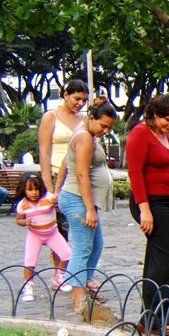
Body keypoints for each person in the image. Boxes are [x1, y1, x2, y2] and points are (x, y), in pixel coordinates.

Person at [126, 93, 169, 336]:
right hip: (152, 203)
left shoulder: (164, 135)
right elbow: (135, 173)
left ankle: (156, 311)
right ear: (155, 114)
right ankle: (153, 317)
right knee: (164, 259)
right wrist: (144, 210)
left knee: (157, 258)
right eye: (168, 120)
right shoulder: (140, 134)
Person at [55, 96, 116, 312]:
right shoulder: (84, 137)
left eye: (109, 128)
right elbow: (81, 175)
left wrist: (56, 191)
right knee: (83, 247)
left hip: (80, 199)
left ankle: (86, 284)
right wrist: (90, 209)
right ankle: (78, 297)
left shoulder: (86, 133)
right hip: (77, 199)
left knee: (96, 244)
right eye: (103, 126)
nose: (105, 131)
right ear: (91, 118)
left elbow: (64, 162)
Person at [39, 79, 89, 295]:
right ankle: (59, 273)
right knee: (58, 230)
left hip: (76, 176)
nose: (80, 103)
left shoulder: (84, 119)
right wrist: (49, 187)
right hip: (54, 173)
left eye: (84, 100)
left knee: (78, 226)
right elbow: (44, 151)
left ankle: (72, 272)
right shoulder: (51, 117)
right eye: (77, 98)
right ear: (65, 94)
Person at [15, 173, 72, 302]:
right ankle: (28, 286)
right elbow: (18, 220)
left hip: (52, 233)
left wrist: (56, 205)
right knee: (30, 262)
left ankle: (60, 277)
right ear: (23, 190)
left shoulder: (48, 198)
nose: (34, 193)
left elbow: (59, 207)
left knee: (67, 254)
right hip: (35, 235)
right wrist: (24, 222)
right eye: (30, 190)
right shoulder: (22, 205)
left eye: (36, 189)